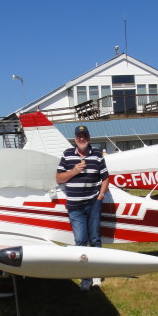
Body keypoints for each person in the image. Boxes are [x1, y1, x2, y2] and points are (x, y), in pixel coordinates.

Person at [56, 125, 110, 291]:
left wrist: (100, 196)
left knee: (95, 240)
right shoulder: (67, 154)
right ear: (75, 138)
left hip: (93, 203)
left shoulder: (97, 154)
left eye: (84, 136)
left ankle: (97, 275)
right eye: (79, 136)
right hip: (75, 206)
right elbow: (58, 179)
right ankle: (85, 278)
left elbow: (106, 177)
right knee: (80, 241)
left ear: (88, 137)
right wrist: (73, 171)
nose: (82, 139)